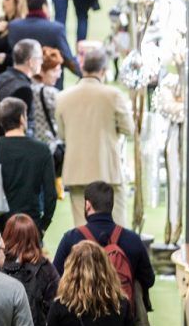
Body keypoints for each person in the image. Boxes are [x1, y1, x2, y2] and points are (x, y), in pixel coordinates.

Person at [54, 180, 155, 326]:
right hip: (120, 325)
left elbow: (56, 279)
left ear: (87, 205)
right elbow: (149, 279)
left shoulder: (71, 239)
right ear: (111, 205)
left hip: (80, 325)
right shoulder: (132, 240)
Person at [55, 51, 136, 226]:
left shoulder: (62, 97)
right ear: (104, 70)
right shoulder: (113, 95)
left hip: (76, 171)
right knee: (116, 227)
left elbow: (61, 135)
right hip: (108, 170)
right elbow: (129, 129)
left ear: (82, 68)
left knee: (82, 229)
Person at [0, 97, 57, 233]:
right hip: (30, 223)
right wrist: (42, 225)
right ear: (22, 119)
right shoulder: (41, 150)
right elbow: (50, 195)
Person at [8, 0, 80, 77]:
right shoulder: (55, 29)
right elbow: (68, 60)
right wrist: (88, 74)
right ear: (44, 7)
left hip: (19, 79)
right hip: (50, 82)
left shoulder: (13, 26)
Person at [0, 38, 39, 136]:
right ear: (31, 61)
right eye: (40, 58)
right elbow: (22, 129)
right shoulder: (23, 89)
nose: (41, 62)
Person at [29, 48, 66, 174]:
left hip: (32, 149)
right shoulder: (50, 93)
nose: (59, 75)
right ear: (42, 72)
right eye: (54, 71)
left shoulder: (28, 87)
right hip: (51, 149)